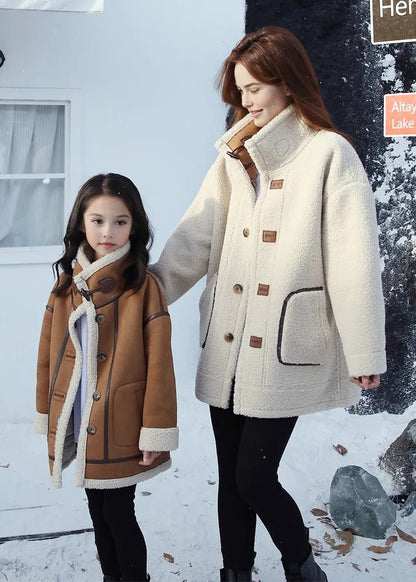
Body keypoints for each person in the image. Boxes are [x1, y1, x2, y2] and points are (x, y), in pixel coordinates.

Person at [151, 26, 386, 582]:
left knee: (253, 478)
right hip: (229, 338)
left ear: (287, 82)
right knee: (231, 476)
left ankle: (301, 564)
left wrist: (364, 348)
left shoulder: (329, 153)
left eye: (255, 87)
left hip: (284, 343)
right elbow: (197, 237)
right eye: (239, 91)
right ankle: (237, 573)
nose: (246, 101)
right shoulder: (234, 153)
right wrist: (149, 292)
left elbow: (353, 260)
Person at [35, 173, 178, 582]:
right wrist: (47, 412)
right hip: (81, 419)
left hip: (122, 422)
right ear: (82, 222)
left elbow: (160, 367)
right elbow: (48, 355)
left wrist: (155, 432)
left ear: (135, 225)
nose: (108, 232)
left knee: (118, 510)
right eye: (97, 220)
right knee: (97, 510)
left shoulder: (143, 286)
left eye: (120, 221)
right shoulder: (66, 285)